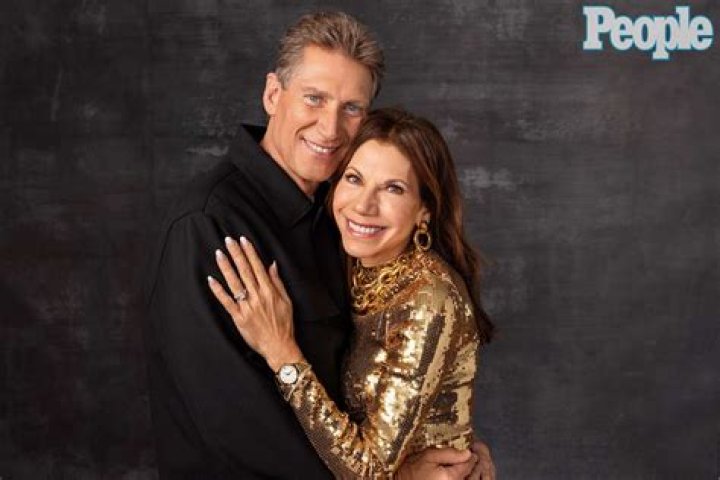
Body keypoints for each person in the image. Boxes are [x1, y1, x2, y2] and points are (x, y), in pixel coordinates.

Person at [144, 11, 495, 479]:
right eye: (314, 98)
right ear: (273, 94)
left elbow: (378, 386)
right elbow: (239, 431)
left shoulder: (343, 216)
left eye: (351, 108)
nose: (330, 128)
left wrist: (450, 438)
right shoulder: (207, 226)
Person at [209, 108, 495, 479]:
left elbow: (368, 471)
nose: (363, 205)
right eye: (354, 178)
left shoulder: (428, 299)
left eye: (393, 188)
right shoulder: (351, 258)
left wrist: (281, 351)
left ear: (424, 210)